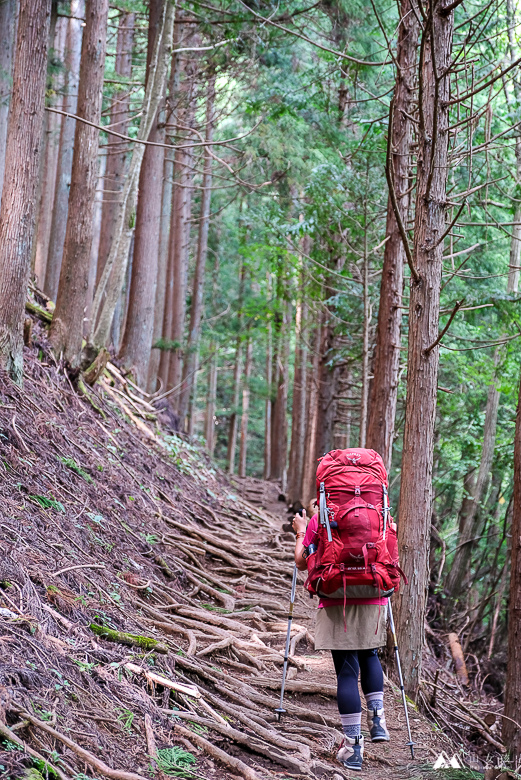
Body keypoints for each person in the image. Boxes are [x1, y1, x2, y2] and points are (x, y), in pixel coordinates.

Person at [292, 507, 390, 772]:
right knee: (370, 655)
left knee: (347, 674)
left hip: (336, 596)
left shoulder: (319, 517)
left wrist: (301, 530)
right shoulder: (377, 511)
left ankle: (353, 749)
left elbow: (301, 561)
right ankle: (378, 720)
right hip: (373, 593)